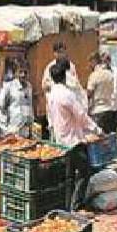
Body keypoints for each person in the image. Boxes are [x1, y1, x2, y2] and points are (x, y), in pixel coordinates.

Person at [46, 60, 99, 208]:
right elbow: (81, 115)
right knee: (84, 171)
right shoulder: (67, 94)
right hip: (73, 140)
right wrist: (96, 129)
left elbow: (50, 117)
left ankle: (67, 204)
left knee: (68, 174)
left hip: (60, 139)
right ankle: (76, 205)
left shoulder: (51, 95)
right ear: (64, 76)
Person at [0, 64, 35, 138]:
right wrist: (5, 128)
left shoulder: (29, 86)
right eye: (20, 72)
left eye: (25, 72)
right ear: (16, 72)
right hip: (12, 131)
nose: (23, 75)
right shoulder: (9, 87)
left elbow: (30, 107)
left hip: (27, 132)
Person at [86, 52, 117, 134]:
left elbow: (89, 94)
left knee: (100, 140)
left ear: (94, 62)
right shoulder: (109, 74)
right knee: (111, 138)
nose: (89, 66)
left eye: (90, 63)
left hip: (98, 111)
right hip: (109, 109)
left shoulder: (94, 75)